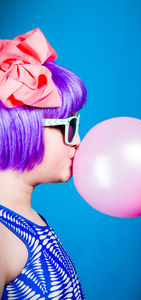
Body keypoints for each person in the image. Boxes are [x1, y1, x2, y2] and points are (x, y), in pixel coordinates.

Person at [0, 28, 87, 299]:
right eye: (70, 125)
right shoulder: (2, 238)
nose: (79, 141)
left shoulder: (28, 220)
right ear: (26, 127)